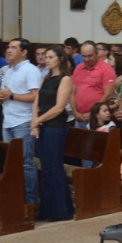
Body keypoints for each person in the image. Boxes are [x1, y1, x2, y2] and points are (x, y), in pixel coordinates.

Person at [29, 46, 75, 221]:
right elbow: (37, 102)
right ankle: (47, 210)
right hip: (42, 126)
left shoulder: (65, 79)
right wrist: (35, 122)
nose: (46, 60)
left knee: (55, 167)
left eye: (50, 57)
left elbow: (59, 107)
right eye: (45, 57)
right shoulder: (45, 78)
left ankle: (62, 210)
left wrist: (38, 120)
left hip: (56, 126)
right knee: (46, 167)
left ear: (60, 59)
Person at [0, 39, 41, 206]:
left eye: (13, 48)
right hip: (8, 121)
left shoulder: (30, 70)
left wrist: (10, 96)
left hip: (23, 122)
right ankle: (16, 197)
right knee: (11, 163)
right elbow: (8, 94)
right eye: (8, 48)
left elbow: (35, 96)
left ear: (24, 52)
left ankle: (30, 203)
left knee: (25, 163)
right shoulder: (9, 70)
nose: (8, 51)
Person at [70, 42, 116, 130]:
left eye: (90, 56)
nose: (86, 59)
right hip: (79, 117)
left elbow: (108, 95)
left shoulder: (106, 69)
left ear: (97, 53)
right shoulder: (78, 68)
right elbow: (72, 92)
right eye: (84, 56)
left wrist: (93, 112)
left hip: (97, 118)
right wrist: (75, 112)